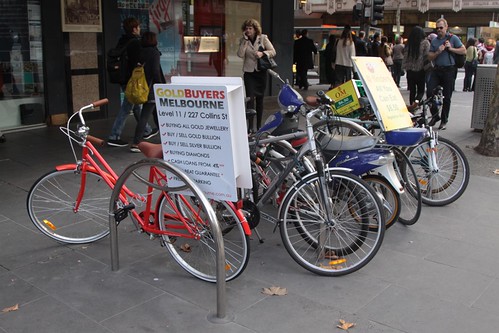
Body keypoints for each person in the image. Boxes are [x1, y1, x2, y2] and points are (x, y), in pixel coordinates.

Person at [107, 17, 157, 147]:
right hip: (132, 81)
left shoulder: (122, 40)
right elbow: (138, 62)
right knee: (127, 107)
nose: (139, 29)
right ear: (134, 29)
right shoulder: (135, 43)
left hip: (124, 78)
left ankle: (146, 130)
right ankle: (114, 135)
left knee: (135, 106)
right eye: (138, 27)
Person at [427, 18, 466, 130]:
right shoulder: (434, 41)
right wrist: (438, 52)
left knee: (447, 97)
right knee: (429, 92)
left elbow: (463, 50)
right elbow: (429, 56)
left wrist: (451, 48)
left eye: (441, 28)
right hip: (437, 69)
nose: (439, 30)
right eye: (437, 28)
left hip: (449, 70)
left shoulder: (453, 38)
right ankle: (435, 116)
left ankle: (444, 120)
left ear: (446, 27)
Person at [237, 18, 276, 131]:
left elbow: (273, 51)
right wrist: (244, 41)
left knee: (260, 100)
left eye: (250, 28)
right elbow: (240, 54)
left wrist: (262, 53)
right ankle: (250, 128)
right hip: (249, 73)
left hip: (260, 73)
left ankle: (259, 126)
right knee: (250, 100)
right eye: (246, 29)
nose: (248, 30)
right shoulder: (244, 40)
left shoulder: (263, 38)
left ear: (255, 29)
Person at [130, 31, 165, 153]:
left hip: (142, 86)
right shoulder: (154, 53)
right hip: (151, 88)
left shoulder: (140, 52)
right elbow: (155, 70)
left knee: (157, 114)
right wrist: (160, 86)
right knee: (145, 115)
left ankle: (165, 139)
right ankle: (136, 142)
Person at [403, 26, 429, 106]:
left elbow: (405, 55)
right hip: (420, 70)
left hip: (410, 70)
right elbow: (427, 55)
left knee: (412, 91)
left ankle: (411, 106)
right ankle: (416, 102)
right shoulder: (425, 43)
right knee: (421, 91)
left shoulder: (408, 44)